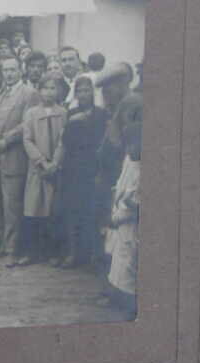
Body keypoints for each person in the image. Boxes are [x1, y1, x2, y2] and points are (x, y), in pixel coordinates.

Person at [0, 57, 41, 262]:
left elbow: (27, 123)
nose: (8, 74)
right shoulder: (1, 94)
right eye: (5, 70)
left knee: (12, 207)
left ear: (20, 71)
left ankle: (13, 250)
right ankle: (3, 244)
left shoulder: (29, 93)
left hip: (14, 158)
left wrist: (6, 140)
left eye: (13, 70)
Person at [57, 75, 108, 268]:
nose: (83, 94)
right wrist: (73, 122)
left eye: (87, 90)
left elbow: (102, 142)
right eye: (80, 91)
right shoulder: (71, 114)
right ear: (75, 94)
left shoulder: (101, 114)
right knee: (72, 211)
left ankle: (94, 255)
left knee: (92, 212)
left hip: (92, 168)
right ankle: (73, 253)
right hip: (73, 169)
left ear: (92, 93)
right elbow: (66, 142)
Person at [16, 76, 68, 267]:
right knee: (33, 209)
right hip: (37, 169)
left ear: (58, 91)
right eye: (45, 88)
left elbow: (64, 140)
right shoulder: (31, 113)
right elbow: (27, 139)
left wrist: (55, 162)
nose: (48, 92)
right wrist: (41, 161)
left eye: (52, 88)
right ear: (39, 90)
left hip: (55, 168)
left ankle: (51, 252)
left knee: (52, 211)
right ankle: (31, 252)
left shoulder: (63, 113)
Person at [104, 109, 142, 318]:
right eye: (127, 145)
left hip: (130, 221)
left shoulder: (143, 169)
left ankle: (131, 303)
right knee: (117, 259)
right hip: (119, 217)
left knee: (129, 262)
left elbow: (136, 204)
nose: (129, 149)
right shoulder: (129, 160)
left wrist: (123, 209)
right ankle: (116, 294)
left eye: (133, 145)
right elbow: (120, 186)